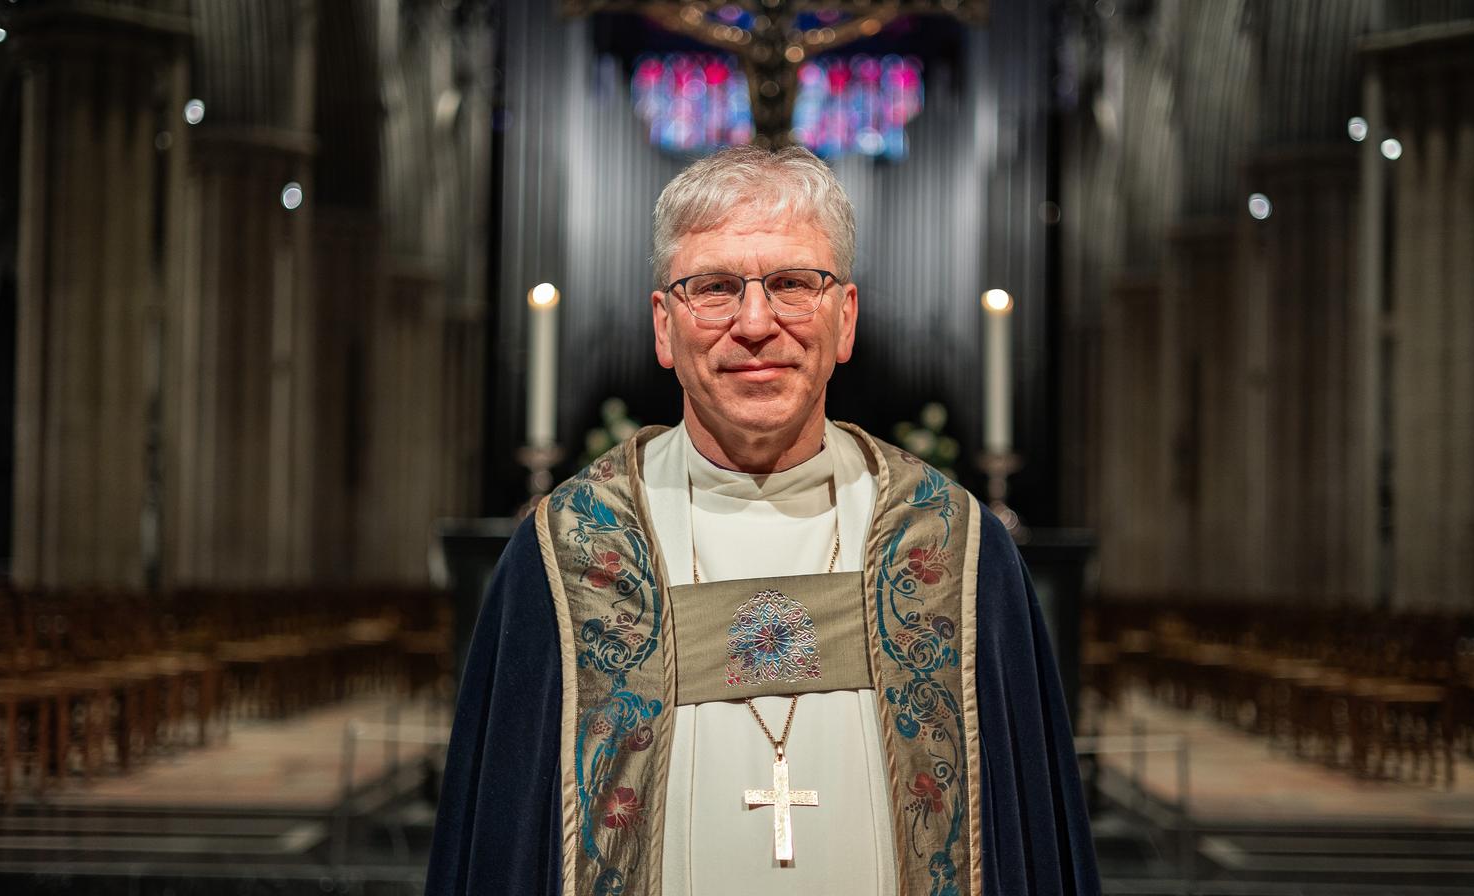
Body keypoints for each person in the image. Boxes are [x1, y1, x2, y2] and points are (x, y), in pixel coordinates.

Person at [427, 145, 1099, 896]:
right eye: (713, 287)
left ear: (844, 319)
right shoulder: (567, 554)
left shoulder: (955, 549)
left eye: (791, 284)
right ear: (663, 326)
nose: (755, 324)